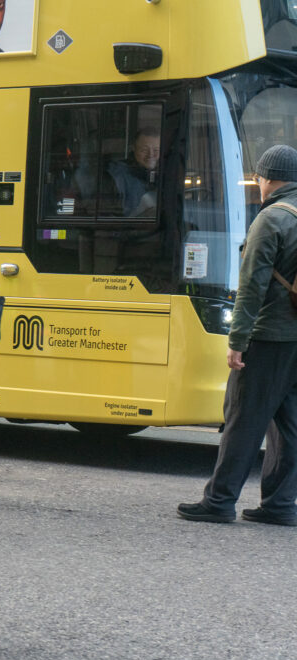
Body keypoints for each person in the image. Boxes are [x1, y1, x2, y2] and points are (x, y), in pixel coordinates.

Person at [177, 144, 297, 527]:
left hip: (268, 338)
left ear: (267, 178)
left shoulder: (272, 219)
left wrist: (237, 341)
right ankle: (280, 505)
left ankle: (220, 500)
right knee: (290, 424)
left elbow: (252, 288)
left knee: (243, 418)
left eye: (259, 178)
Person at [106, 128, 160, 217]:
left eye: (156, 150)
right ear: (133, 149)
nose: (150, 155)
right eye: (144, 150)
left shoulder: (166, 173)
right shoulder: (119, 175)